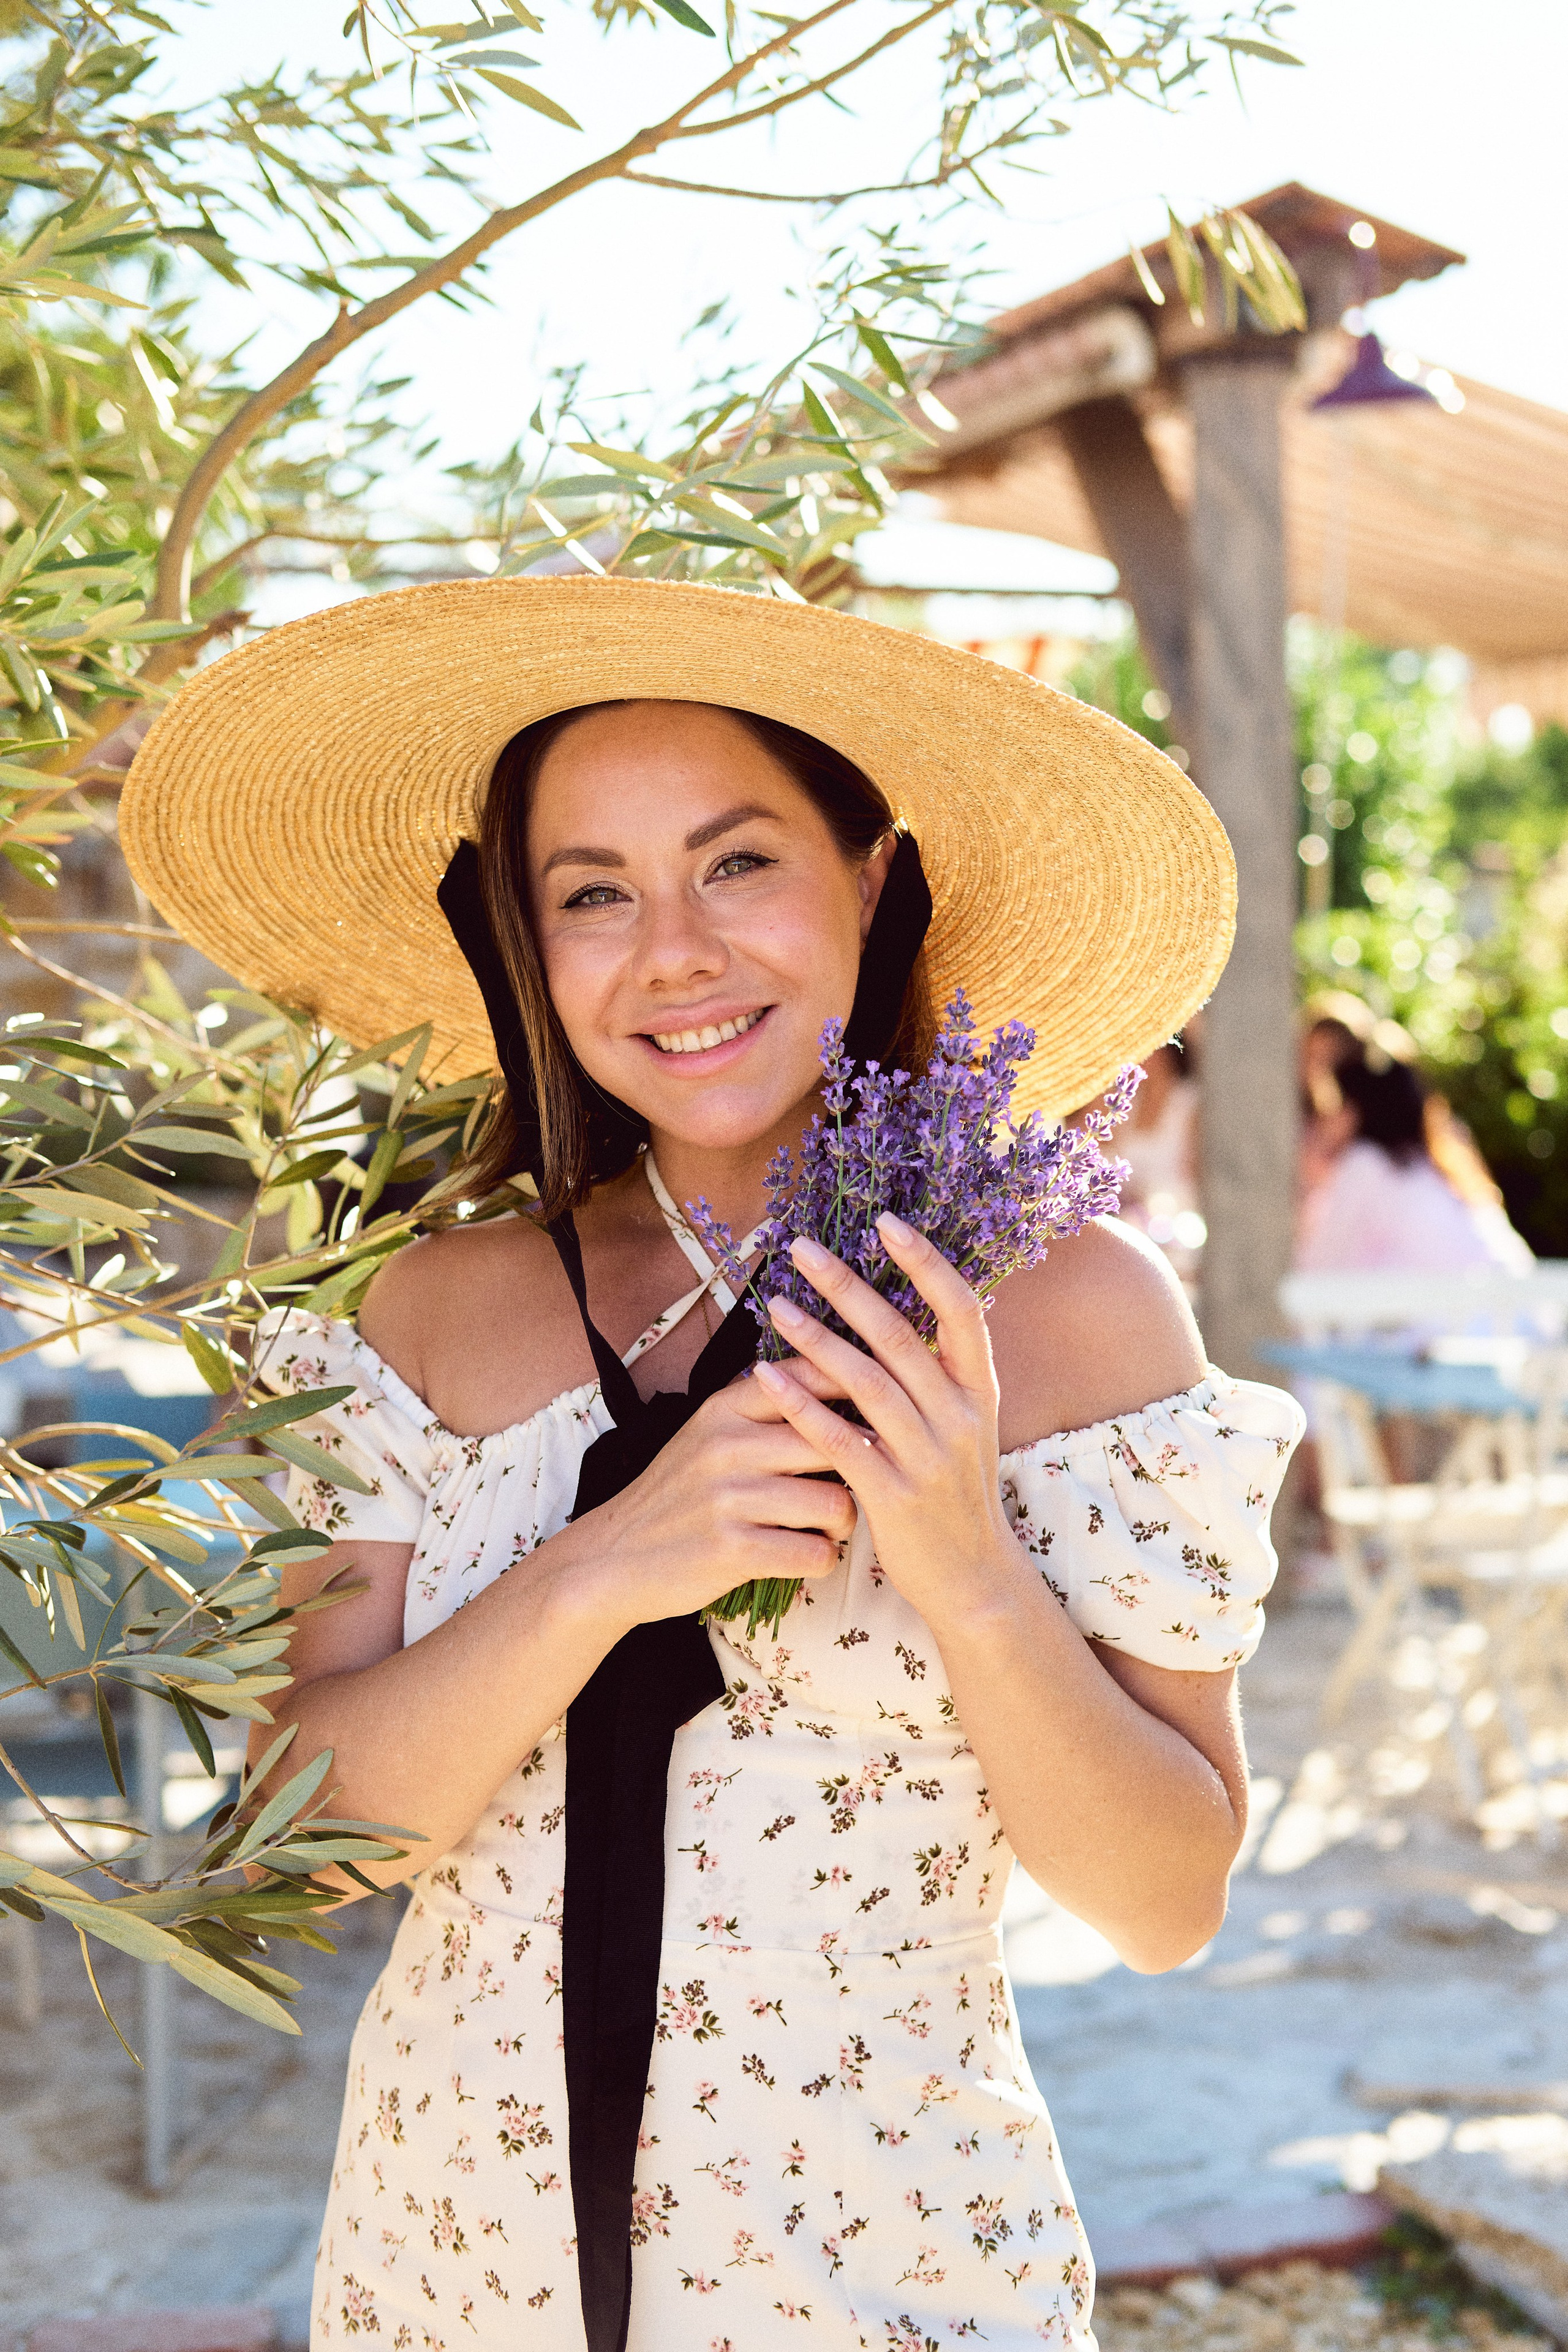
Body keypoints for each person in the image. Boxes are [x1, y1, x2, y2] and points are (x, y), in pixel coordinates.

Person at [121, 579, 1303, 2352]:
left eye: (738, 864)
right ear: (528, 944)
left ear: (874, 880)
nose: (672, 950)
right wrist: (601, 1566)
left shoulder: (1070, 1318)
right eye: (593, 894)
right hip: (462, 2260)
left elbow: (1162, 1902)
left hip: (888, 2270)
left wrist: (966, 1564)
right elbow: (298, 1860)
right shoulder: (434, 1317)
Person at [1297, 1006, 1529, 1276]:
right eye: (1311, 1060)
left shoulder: (1367, 1164)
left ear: (1356, 1102)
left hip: (1466, 1311)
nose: (1316, 1079)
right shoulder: (1427, 1160)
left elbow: (1312, 1269)